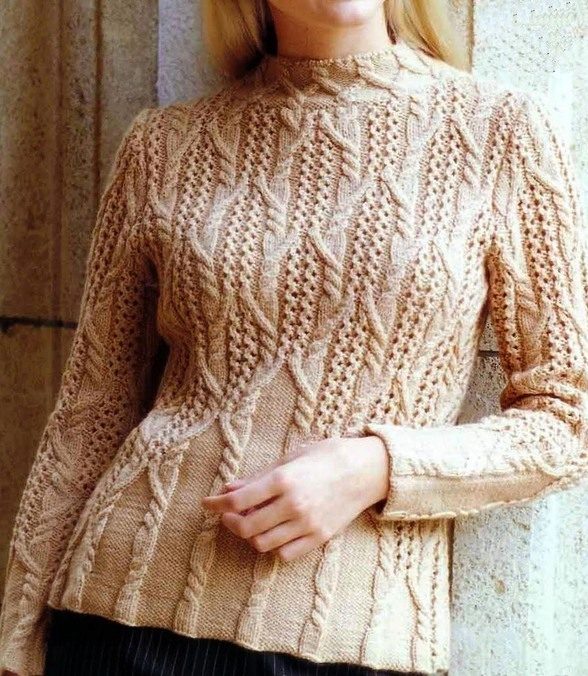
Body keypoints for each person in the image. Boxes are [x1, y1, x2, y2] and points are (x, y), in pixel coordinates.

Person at [1, 0, 588, 674]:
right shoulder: (163, 145)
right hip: (119, 613)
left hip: (349, 637)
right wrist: (19, 639)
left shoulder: (503, 133)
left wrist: (379, 467)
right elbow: (92, 410)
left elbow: (566, 420)